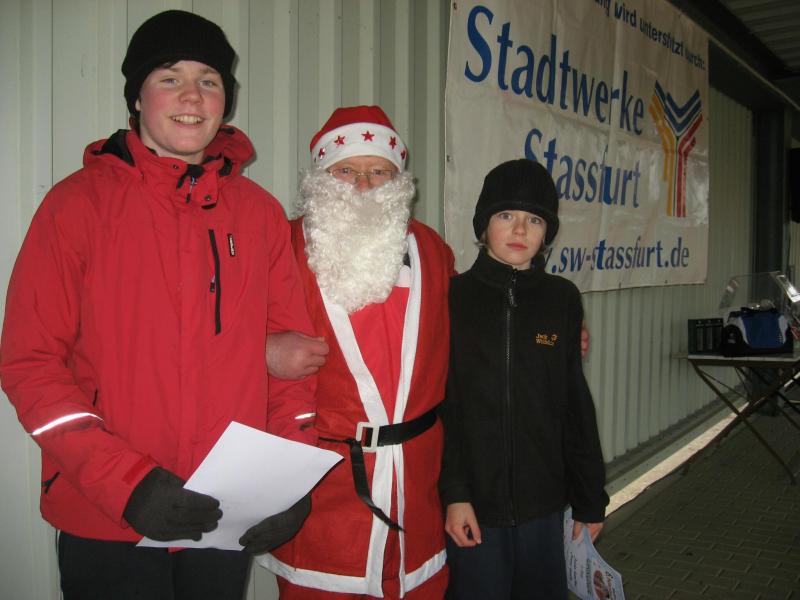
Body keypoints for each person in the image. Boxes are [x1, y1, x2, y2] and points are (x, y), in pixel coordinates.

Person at [0, 10, 316, 599]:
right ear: (137, 97)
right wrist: (126, 484)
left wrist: (284, 480)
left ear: (225, 100)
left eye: (209, 80)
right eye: (170, 77)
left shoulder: (258, 214)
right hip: (108, 516)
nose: (192, 96)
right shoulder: (76, 206)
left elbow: (293, 366)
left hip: (224, 517)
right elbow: (29, 365)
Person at [259, 105, 453, 599]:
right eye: (345, 170)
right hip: (323, 487)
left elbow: (477, 329)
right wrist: (261, 350)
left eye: (378, 172)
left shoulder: (432, 251)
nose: (363, 185)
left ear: (398, 181)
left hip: (416, 486)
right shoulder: (279, 246)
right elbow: (213, 335)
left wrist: (552, 332)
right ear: (320, 178)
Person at [438, 159, 608, 599]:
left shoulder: (562, 298)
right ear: (483, 225)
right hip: (475, 505)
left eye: (534, 219)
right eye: (505, 215)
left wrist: (590, 498)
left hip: (544, 505)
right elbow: (447, 404)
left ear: (547, 232)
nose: (519, 230)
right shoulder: (454, 298)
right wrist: (455, 492)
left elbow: (574, 401)